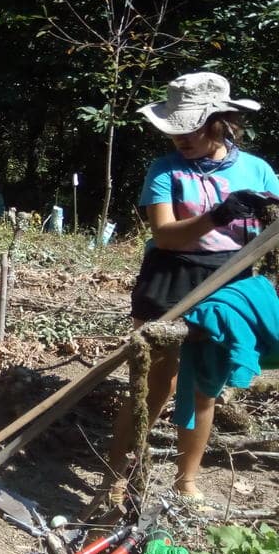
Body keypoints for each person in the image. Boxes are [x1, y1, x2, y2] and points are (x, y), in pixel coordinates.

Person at [103, 72, 279, 503]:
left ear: (220, 122)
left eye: (191, 128)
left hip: (229, 278)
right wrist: (217, 216)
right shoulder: (165, 170)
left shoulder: (257, 170)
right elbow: (165, 234)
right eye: (175, 129)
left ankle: (188, 481)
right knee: (151, 382)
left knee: (204, 384)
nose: (181, 138)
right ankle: (116, 475)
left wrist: (266, 216)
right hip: (170, 273)